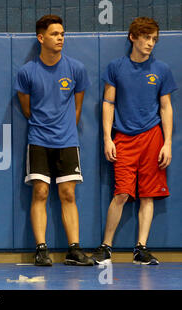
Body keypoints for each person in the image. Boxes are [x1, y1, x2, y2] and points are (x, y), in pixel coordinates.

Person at [91, 17, 177, 265]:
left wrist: (167, 142)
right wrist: (108, 138)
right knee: (122, 194)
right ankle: (106, 247)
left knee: (148, 195)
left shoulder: (161, 70)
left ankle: (141, 248)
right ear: (133, 37)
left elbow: (166, 107)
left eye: (153, 39)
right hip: (124, 138)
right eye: (146, 38)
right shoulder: (116, 67)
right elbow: (108, 103)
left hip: (153, 137)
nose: (150, 43)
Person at [14, 15, 93, 266]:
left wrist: (66, 126)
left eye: (62, 34)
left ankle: (74, 250)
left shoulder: (76, 68)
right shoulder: (27, 72)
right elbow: (26, 108)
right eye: (54, 34)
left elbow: (77, 107)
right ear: (41, 38)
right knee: (40, 191)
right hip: (38, 139)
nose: (60, 38)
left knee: (68, 193)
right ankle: (41, 249)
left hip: (68, 141)